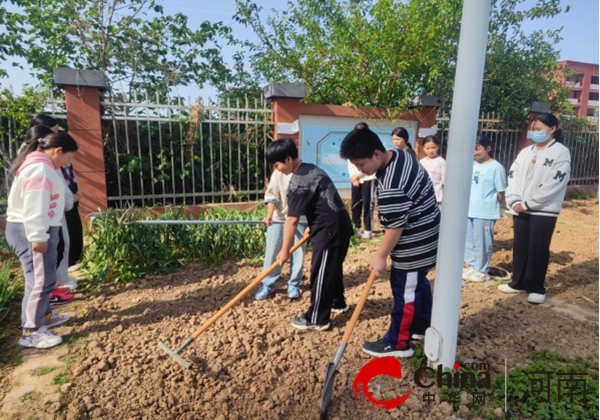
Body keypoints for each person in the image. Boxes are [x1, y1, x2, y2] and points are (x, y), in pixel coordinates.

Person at [340, 123, 440, 358]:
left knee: (404, 289)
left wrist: (381, 256)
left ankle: (398, 342)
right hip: (427, 233)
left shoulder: (391, 185)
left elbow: (396, 226)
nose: (361, 171)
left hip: (415, 242)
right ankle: (422, 326)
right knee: (418, 283)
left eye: (362, 165)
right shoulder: (401, 155)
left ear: (376, 153)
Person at [271, 138, 353, 331]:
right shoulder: (311, 169)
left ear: (288, 158)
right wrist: (313, 222)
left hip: (329, 231)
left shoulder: (298, 182)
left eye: (277, 164)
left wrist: (285, 251)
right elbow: (321, 201)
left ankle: (317, 318)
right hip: (340, 225)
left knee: (321, 274)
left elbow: (291, 220)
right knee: (331, 269)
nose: (277, 169)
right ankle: (337, 302)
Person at [5, 132, 78, 348]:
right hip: (32, 231)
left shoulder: (43, 166)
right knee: (39, 280)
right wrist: (38, 236)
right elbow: (35, 205)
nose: (69, 162)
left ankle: (45, 316)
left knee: (45, 277)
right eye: (69, 157)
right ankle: (31, 331)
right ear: (58, 151)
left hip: (41, 229)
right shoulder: (40, 169)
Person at [499, 113, 571, 304]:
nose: (534, 133)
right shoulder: (526, 151)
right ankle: (518, 282)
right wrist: (514, 200)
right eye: (533, 129)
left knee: (538, 248)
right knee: (521, 246)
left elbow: (555, 182)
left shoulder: (560, 152)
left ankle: (536, 287)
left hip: (543, 209)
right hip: (520, 207)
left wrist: (529, 203)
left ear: (552, 129)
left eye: (538, 129)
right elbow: (513, 175)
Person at [255, 167, 307, 300]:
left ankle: (294, 284)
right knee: (272, 252)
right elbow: (272, 196)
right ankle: (268, 284)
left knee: (298, 252)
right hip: (279, 219)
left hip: (300, 219)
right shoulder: (278, 174)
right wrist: (269, 215)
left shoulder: (305, 173)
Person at [463, 135, 507, 283]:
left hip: (485, 212)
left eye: (478, 150)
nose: (475, 153)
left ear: (488, 149)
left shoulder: (496, 168)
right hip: (469, 210)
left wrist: (495, 206)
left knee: (482, 242)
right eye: (473, 150)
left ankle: (482, 270)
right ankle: (473, 266)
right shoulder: (471, 165)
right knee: (469, 241)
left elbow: (501, 193)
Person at [348, 161, 376, 239]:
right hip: (355, 180)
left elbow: (369, 164)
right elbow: (350, 164)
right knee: (355, 204)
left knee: (367, 204)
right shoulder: (350, 149)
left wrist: (357, 175)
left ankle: (368, 229)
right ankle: (356, 227)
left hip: (368, 178)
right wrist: (354, 178)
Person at [419, 135, 446, 207]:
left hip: (437, 199)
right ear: (423, 148)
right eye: (428, 148)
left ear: (438, 146)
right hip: (423, 198)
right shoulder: (421, 162)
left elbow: (445, 181)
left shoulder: (441, 162)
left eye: (433, 148)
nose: (431, 151)